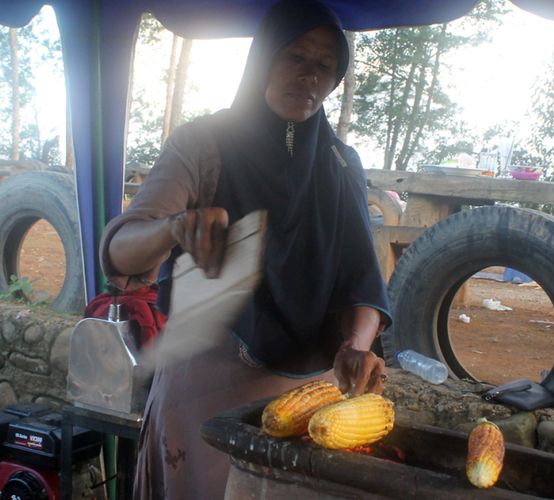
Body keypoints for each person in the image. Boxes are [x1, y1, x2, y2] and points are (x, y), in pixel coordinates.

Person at [98, 1, 391, 497]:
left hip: (307, 401)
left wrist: (356, 346)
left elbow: (360, 279)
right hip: (208, 387)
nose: (309, 76)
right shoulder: (202, 145)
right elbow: (122, 253)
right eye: (295, 56)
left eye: (325, 65)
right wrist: (174, 229)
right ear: (262, 60)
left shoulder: (341, 163)